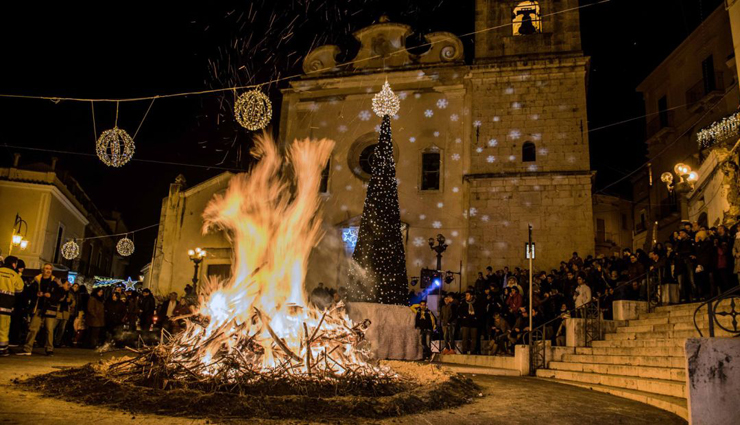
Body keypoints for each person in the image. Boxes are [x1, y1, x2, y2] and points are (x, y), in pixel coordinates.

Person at [19, 263, 61, 356]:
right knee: (33, 328)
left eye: (50, 269)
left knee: (49, 330)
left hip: (50, 309)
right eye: (46, 268)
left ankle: (49, 349)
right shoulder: (37, 280)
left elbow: (59, 295)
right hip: (38, 307)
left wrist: (51, 296)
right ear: (43, 270)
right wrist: (36, 294)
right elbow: (28, 292)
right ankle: (27, 348)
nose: (48, 270)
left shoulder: (55, 282)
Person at [0, 256, 24, 356]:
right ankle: (2, 349)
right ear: (14, 264)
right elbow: (20, 288)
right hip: (6, 304)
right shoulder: (14, 275)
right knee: (3, 328)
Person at [53, 280, 75, 347]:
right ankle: (50, 340)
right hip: (58, 312)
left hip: (65, 313)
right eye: (67, 284)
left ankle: (57, 342)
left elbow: (73, 303)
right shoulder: (58, 291)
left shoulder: (70, 294)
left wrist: (70, 301)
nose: (68, 286)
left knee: (62, 329)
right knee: (52, 327)